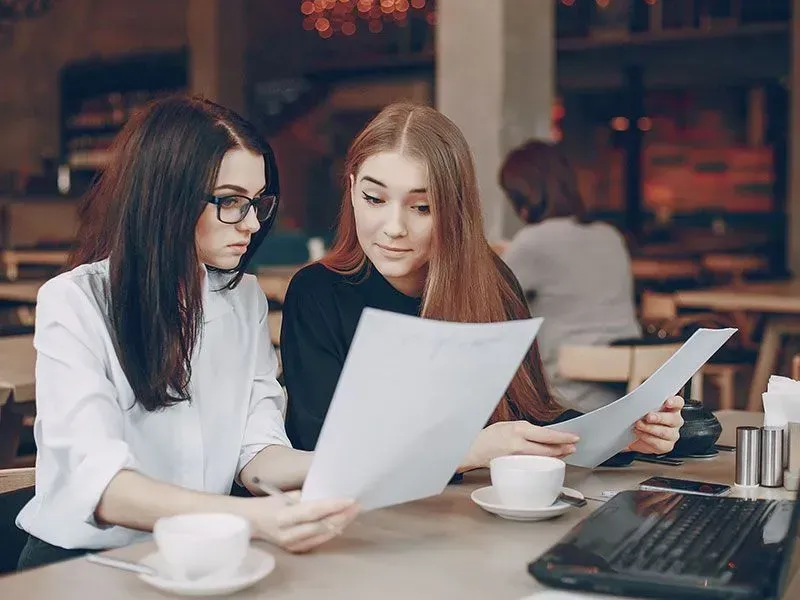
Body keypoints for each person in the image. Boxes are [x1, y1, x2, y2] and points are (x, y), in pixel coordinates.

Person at [15, 96, 358, 570]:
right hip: (81, 563)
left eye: (257, 202)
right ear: (167, 196)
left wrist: (356, 468)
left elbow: (257, 454)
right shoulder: (76, 301)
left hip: (198, 553)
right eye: (232, 202)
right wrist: (251, 518)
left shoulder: (243, 300)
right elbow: (104, 488)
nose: (253, 223)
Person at [280, 102, 683, 472]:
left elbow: (534, 417)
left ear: (454, 208)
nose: (394, 227)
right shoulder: (316, 293)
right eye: (374, 198)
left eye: (422, 207)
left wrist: (623, 436)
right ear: (351, 190)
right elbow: (323, 451)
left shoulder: (491, 280)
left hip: (473, 524)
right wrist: (473, 451)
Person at [498, 140, 642, 413]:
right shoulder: (609, 236)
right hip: (627, 388)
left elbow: (490, 296)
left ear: (524, 197)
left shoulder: (534, 241)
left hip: (566, 397)